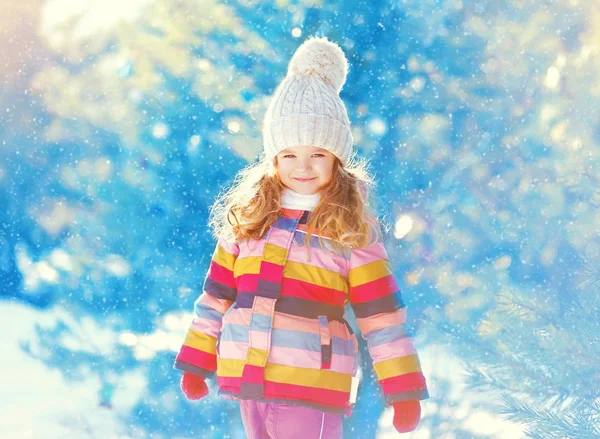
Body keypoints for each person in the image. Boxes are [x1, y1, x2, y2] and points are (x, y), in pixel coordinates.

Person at [174, 36, 429, 438]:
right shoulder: (249, 220)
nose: (303, 167)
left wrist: (403, 389)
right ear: (274, 158)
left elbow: (381, 315)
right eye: (290, 155)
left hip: (314, 382)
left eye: (318, 155)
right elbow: (216, 297)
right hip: (247, 379)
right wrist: (197, 359)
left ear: (337, 159)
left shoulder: (350, 229)